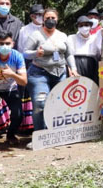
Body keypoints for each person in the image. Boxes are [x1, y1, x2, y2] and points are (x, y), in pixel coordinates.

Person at [24, 8, 77, 147]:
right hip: (39, 73)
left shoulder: (63, 36)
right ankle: (39, 136)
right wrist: (36, 53)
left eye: (53, 17)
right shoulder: (35, 35)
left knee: (58, 105)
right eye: (47, 17)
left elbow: (69, 54)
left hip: (60, 73)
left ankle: (54, 135)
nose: (50, 20)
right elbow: (25, 53)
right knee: (40, 103)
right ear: (43, 19)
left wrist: (73, 68)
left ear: (57, 19)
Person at [68, 16, 99, 85]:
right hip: (77, 65)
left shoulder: (95, 38)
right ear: (78, 27)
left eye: (86, 25)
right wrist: (71, 69)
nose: (84, 27)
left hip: (92, 66)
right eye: (81, 25)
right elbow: (69, 55)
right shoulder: (72, 38)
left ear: (90, 26)